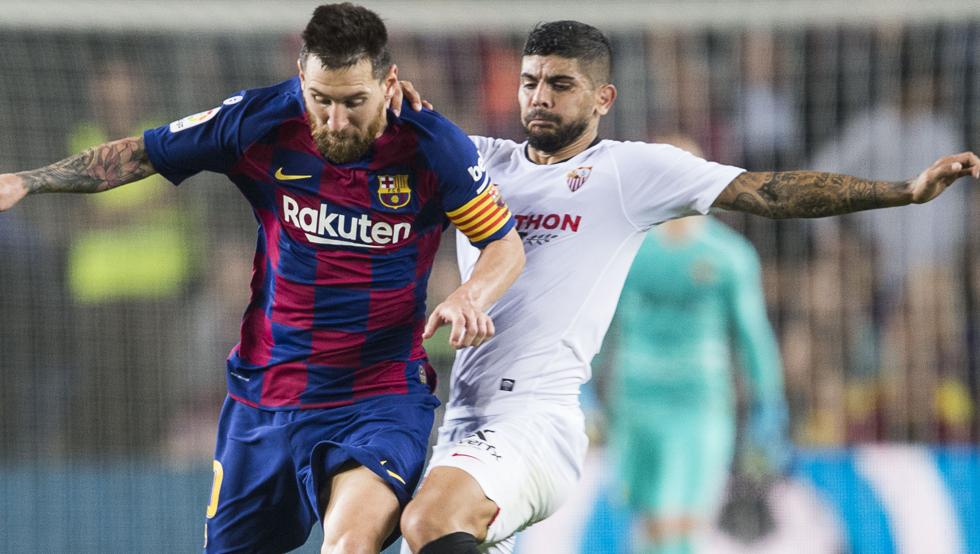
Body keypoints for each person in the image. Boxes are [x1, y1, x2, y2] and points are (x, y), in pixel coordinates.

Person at [394, 20, 978, 554]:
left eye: (561, 83)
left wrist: (903, 190)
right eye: (529, 81)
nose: (539, 96)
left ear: (604, 98)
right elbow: (362, 148)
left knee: (430, 521)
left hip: (540, 418)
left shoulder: (629, 173)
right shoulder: (478, 162)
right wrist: (384, 107)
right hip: (474, 416)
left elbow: (769, 191)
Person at [0, 3, 525, 553]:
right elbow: (142, 154)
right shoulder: (260, 120)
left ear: (389, 83)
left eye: (354, 102)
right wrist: (28, 182)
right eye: (321, 100)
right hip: (267, 399)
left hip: (378, 396)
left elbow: (504, 243)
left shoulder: (431, 144)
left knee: (348, 545)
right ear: (301, 78)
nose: (336, 120)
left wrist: (471, 293)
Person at [606, 137, 788, 554]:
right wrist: (580, 388)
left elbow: (752, 334)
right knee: (653, 518)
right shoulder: (625, 250)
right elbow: (598, 326)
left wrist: (770, 404)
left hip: (698, 400)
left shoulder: (728, 256)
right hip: (635, 399)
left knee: (682, 517)